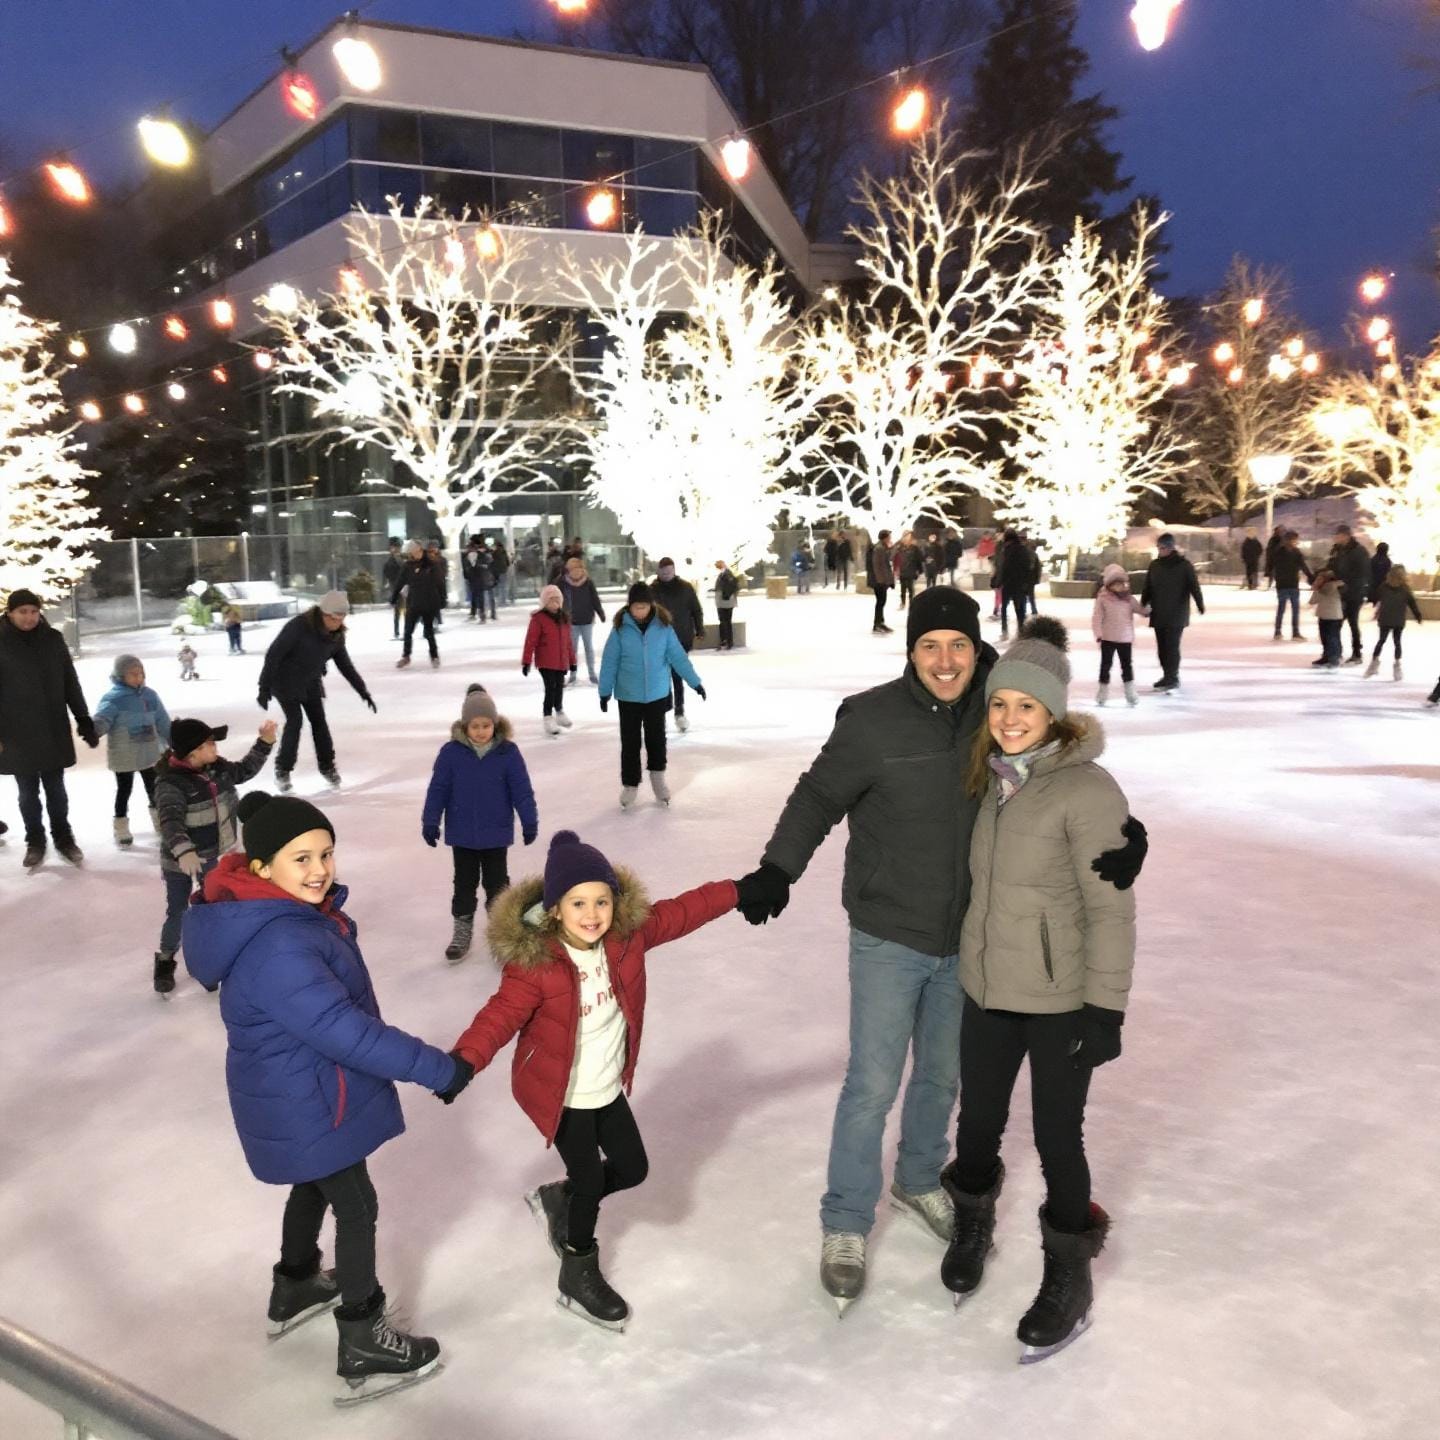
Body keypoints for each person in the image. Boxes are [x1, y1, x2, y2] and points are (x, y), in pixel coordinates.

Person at [737, 587, 1148, 1314]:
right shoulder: (871, 720)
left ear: (977, 649)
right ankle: (845, 1221)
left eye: (959, 644)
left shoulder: (997, 710)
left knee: (941, 1081)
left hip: (971, 943)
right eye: (930, 645)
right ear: (911, 651)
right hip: (889, 934)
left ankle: (922, 1178)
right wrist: (779, 867)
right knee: (871, 1083)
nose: (946, 659)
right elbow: (816, 796)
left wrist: (1125, 834)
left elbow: (1055, 768)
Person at [183, 790, 462, 1404]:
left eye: (326, 854)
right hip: (310, 1093)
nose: (319, 870)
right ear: (262, 869)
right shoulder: (281, 943)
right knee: (356, 1204)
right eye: (300, 858)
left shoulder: (275, 919)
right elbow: (346, 1031)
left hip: (296, 1090)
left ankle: (296, 1284)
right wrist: (436, 1069)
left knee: (313, 1181)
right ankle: (362, 1333)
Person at [448, 830, 767, 1331]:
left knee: (634, 1168)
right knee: (592, 1178)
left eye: (601, 900)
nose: (592, 913)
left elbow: (684, 910)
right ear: (554, 910)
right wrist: (464, 1061)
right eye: (578, 902)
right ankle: (577, 1273)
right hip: (563, 1094)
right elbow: (499, 1015)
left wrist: (740, 890)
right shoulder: (537, 967)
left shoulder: (625, 938)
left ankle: (563, 1197)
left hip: (606, 1087)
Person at [940, 617, 1134, 1363]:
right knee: (979, 1123)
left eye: (1027, 707)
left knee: (1059, 1136)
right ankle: (973, 1223)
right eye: (999, 705)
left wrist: (1105, 1006)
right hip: (989, 989)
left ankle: (1068, 1274)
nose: (1011, 718)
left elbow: (1112, 905)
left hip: (1059, 1002)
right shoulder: (990, 779)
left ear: (1054, 713)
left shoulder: (1087, 791)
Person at [153, 716, 277, 996]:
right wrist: (183, 851)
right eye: (210, 743)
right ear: (192, 752)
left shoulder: (217, 769)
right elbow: (170, 822)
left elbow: (244, 770)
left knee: (214, 910)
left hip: (212, 857)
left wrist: (264, 743)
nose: (215, 748)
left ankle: (210, 963)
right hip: (178, 861)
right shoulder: (170, 784)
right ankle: (165, 960)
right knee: (178, 911)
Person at [422, 684, 537, 964]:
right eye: (475, 726)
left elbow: (522, 790)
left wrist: (529, 820)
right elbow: (438, 789)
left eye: (486, 725)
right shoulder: (451, 753)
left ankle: (503, 933)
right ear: (465, 725)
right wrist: (430, 820)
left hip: (496, 834)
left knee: (498, 887)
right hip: (463, 835)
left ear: (495, 725)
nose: (481, 731)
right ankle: (462, 933)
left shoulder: (507, 753)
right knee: (464, 885)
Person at [0, 588, 97, 870]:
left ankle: (64, 838)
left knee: (56, 789)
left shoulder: (53, 639)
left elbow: (70, 681)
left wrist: (83, 719)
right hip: (16, 731)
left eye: (33, 611)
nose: (29, 617)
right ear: (10, 613)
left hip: (52, 726)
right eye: (23, 612)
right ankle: (35, 841)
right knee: (27, 791)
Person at [598, 583, 705, 810]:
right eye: (637, 607)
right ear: (630, 606)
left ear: (651, 605)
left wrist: (695, 683)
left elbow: (678, 658)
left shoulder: (663, 627)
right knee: (630, 742)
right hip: (628, 696)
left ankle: (658, 780)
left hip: (657, 694)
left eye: (644, 606)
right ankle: (630, 785)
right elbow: (610, 662)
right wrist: (604, 692)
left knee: (657, 739)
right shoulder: (620, 629)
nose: (640, 611)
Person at [258, 591, 376, 793]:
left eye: (341, 618)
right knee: (295, 721)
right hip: (284, 680)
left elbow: (345, 665)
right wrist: (264, 685)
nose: (337, 622)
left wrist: (363, 691)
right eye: (333, 618)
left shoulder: (336, 637)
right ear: (323, 614)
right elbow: (274, 654)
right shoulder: (299, 627)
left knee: (319, 722)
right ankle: (283, 770)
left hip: (310, 681)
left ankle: (327, 766)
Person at [92, 654, 172, 846]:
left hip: (149, 753)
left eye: (141, 674)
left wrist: (172, 738)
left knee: (153, 788)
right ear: (121, 676)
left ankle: (161, 822)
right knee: (124, 790)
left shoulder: (150, 695)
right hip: (124, 754)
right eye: (132, 674)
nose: (138, 678)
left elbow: (162, 719)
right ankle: (121, 825)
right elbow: (103, 719)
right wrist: (94, 729)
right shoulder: (114, 698)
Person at [1141, 533, 1205, 692]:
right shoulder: (1155, 565)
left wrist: (1200, 604)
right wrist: (1143, 603)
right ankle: (1166, 675)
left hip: (1177, 614)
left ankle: (1173, 676)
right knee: (1162, 647)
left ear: (1170, 548)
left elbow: (1194, 586)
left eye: (1162, 547)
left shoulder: (1184, 565)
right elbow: (1148, 586)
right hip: (1159, 613)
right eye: (1159, 547)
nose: (1160, 550)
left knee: (1172, 646)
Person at [649, 558, 705, 733]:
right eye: (663, 572)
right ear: (658, 572)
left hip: (681, 638)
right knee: (661, 675)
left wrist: (699, 628)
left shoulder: (685, 588)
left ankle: (679, 711)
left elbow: (696, 609)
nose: (666, 575)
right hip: (658, 640)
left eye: (669, 571)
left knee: (677, 675)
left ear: (674, 570)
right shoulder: (651, 590)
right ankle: (665, 708)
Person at [523, 585, 578, 738]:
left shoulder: (564, 618)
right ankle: (548, 716)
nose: (554, 603)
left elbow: (568, 643)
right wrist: (526, 661)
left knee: (559, 686)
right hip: (546, 662)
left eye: (557, 600)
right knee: (550, 688)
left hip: (561, 661)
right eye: (551, 600)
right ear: (544, 603)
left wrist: (572, 661)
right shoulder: (538, 619)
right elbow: (531, 641)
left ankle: (559, 711)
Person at [1090, 565, 1146, 707]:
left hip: (1125, 638)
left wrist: (1148, 609)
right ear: (1109, 585)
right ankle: (1102, 692)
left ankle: (1130, 692)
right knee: (1105, 666)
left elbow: (1141, 609)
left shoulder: (1129, 599)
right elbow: (1097, 617)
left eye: (1123, 583)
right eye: (1117, 583)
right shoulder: (1103, 599)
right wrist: (1098, 634)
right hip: (1108, 638)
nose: (1121, 586)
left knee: (1126, 666)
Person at [391, 540, 445, 670]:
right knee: (408, 631)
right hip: (413, 602)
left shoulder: (431, 564)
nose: (411, 555)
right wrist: (394, 597)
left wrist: (443, 599)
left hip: (429, 602)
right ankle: (406, 656)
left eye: (412, 552)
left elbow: (440, 582)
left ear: (418, 550)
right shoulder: (408, 565)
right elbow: (400, 582)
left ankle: (434, 656)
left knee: (428, 631)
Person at [1365, 565, 1423, 680]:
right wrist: (1418, 616)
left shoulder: (1384, 587)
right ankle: (1397, 666)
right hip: (1398, 619)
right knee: (1397, 642)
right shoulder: (1405, 589)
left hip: (1385, 618)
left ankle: (1374, 663)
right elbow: (1412, 603)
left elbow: (1375, 596)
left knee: (1381, 641)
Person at [559, 554, 606, 685]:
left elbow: (595, 598)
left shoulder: (588, 582)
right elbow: (557, 598)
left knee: (588, 647)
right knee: (572, 648)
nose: (575, 572)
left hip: (586, 619)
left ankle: (592, 673)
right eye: (572, 569)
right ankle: (572, 674)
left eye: (578, 568)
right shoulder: (563, 582)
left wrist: (600, 612)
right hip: (571, 620)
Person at [1328, 524, 1371, 664]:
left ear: (1346, 536)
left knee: (1352, 622)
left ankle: (1357, 653)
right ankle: (1337, 652)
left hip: (1354, 593)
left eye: (1338, 535)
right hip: (1341, 592)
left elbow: (1362, 572)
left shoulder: (1358, 551)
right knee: (1337, 623)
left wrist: (1346, 581)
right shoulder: (1339, 550)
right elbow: (1335, 567)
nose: (1336, 537)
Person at [1270, 531, 1313, 641]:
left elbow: (1303, 566)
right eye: (1295, 540)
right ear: (1289, 540)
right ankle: (1278, 631)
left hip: (1292, 584)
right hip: (1284, 584)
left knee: (1294, 609)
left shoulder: (1295, 552)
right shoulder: (1280, 552)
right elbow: (1274, 567)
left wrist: (1311, 577)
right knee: (1282, 608)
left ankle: (1294, 632)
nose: (1296, 542)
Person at [997, 530, 1035, 639]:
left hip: (1008, 583)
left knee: (1004, 608)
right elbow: (1028, 567)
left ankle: (1005, 631)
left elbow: (1004, 567)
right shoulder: (1023, 550)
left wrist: (999, 581)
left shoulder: (1007, 550)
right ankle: (1021, 631)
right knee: (1020, 609)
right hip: (1020, 584)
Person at [1308, 569, 1344, 669]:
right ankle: (1330, 657)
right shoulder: (1337, 586)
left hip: (1328, 616)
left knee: (1329, 638)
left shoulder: (1324, 588)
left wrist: (1315, 587)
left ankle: (1332, 659)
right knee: (1332, 638)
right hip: (1333, 616)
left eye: (1319, 578)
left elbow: (1312, 601)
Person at [866, 530, 894, 634]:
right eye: (889, 537)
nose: (890, 538)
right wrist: (882, 580)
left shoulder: (882, 548)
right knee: (880, 602)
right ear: (885, 537)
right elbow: (878, 566)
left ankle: (880, 622)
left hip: (881, 580)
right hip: (879, 581)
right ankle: (877, 623)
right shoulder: (879, 548)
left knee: (881, 602)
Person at [462, 539, 496, 623]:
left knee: (481, 598)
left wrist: (479, 568)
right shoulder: (466, 557)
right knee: (474, 597)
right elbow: (466, 568)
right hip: (473, 579)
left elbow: (488, 566)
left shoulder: (482, 556)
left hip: (480, 579)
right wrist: (467, 576)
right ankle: (474, 614)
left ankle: (482, 616)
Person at [381, 537, 405, 641]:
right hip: (396, 587)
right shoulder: (390, 562)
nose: (396, 549)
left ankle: (401, 631)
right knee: (399, 610)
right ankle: (398, 632)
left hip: (403, 587)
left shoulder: (403, 559)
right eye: (394, 547)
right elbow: (386, 574)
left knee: (404, 610)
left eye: (397, 547)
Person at [714, 560, 740, 649]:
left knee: (726, 621)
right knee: (723, 621)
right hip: (723, 601)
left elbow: (732, 586)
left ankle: (727, 641)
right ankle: (724, 640)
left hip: (726, 601)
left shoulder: (727, 574)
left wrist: (726, 595)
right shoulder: (723, 574)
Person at [425, 539, 449, 627]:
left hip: (438, 585)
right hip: (427, 586)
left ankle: (435, 622)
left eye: (434, 547)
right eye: (431, 548)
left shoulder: (442, 559)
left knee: (436, 606)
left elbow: (444, 572)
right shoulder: (425, 560)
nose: (433, 550)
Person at [896, 531, 922, 610]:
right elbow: (896, 559)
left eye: (908, 536)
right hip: (902, 571)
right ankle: (903, 603)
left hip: (911, 570)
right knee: (902, 589)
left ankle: (912, 603)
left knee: (911, 589)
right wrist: (896, 570)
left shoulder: (915, 548)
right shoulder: (899, 548)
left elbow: (919, 559)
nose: (906, 538)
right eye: (904, 536)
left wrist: (919, 570)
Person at [492, 536, 512, 608]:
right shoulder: (504, 552)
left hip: (496, 572)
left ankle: (499, 601)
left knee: (498, 587)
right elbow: (508, 562)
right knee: (503, 587)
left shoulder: (494, 553)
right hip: (503, 571)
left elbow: (492, 563)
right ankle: (503, 601)